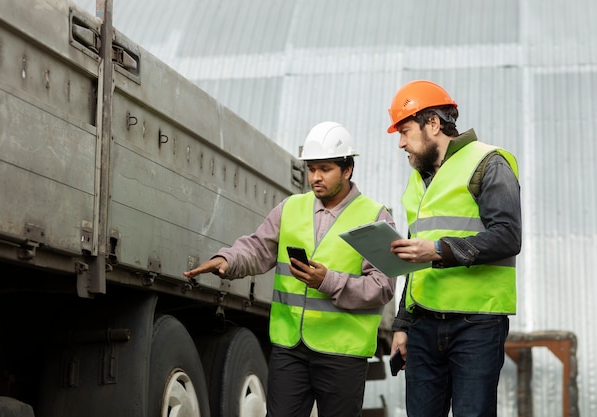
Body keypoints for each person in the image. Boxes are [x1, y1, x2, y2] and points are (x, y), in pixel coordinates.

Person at [184, 121, 396, 417]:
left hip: (342, 353)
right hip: (290, 348)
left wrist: (328, 281)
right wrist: (228, 260)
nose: (315, 178)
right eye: (311, 169)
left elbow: (383, 286)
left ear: (347, 170)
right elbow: (258, 248)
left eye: (325, 169)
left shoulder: (375, 216)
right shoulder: (290, 208)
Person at [385, 80, 521, 417]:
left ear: (433, 124)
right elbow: (414, 259)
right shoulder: (418, 182)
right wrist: (402, 325)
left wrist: (437, 250)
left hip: (476, 325)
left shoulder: (488, 163)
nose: (401, 143)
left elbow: (507, 236)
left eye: (405, 131)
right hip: (423, 326)